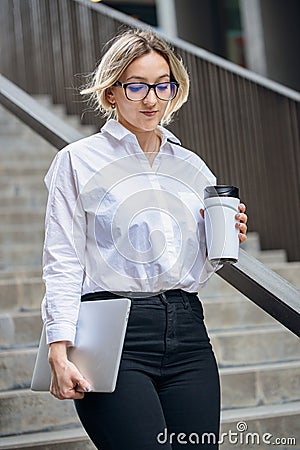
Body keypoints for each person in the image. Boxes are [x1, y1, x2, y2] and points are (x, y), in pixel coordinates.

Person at [42, 28, 248, 450]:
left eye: (162, 85)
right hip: (111, 331)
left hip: (187, 330)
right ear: (111, 92)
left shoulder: (193, 167)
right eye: (136, 86)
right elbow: (62, 260)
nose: (151, 99)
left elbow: (192, 264)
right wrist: (58, 349)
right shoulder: (77, 162)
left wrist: (225, 238)